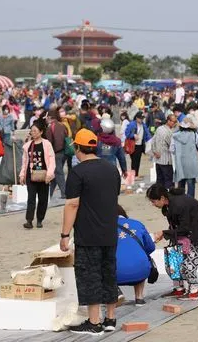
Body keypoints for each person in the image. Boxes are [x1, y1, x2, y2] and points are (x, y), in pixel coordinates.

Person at [60, 128, 121, 335]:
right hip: (110, 231)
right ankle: (110, 318)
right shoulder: (111, 169)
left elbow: (72, 205)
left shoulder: (78, 172)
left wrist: (64, 234)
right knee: (109, 273)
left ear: (78, 148)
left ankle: (94, 322)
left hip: (88, 233)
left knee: (90, 275)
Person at [147, 184, 198, 300]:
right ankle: (179, 289)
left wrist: (164, 233)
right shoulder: (169, 204)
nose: (152, 204)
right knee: (173, 259)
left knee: (188, 263)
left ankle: (194, 291)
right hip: (185, 230)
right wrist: (167, 234)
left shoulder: (178, 204)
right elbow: (177, 223)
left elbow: (185, 228)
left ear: (162, 198)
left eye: (153, 201)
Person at [115, 205, 156, 306]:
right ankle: (139, 297)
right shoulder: (137, 224)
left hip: (116, 274)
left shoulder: (105, 227)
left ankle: (116, 291)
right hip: (141, 272)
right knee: (140, 259)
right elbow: (151, 247)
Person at [19, 121, 55, 229]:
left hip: (44, 176)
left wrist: (49, 174)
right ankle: (29, 220)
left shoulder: (47, 144)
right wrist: (22, 175)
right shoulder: (28, 145)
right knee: (31, 199)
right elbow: (24, 162)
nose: (33, 133)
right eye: (32, 131)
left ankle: (40, 219)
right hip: (31, 175)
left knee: (43, 199)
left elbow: (52, 159)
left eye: (35, 131)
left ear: (41, 132)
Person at [171, 117, 198, 198]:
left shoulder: (174, 136)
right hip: (191, 163)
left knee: (181, 184)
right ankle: (190, 202)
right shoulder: (194, 135)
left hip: (180, 163)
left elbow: (172, 149)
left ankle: (181, 201)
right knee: (191, 184)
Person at [46, 109, 68, 199]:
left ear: (50, 117)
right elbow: (66, 135)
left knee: (58, 173)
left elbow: (49, 142)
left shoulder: (50, 127)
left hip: (56, 153)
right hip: (63, 152)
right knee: (56, 173)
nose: (46, 119)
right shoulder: (62, 125)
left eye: (47, 117)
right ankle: (49, 193)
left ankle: (65, 193)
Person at [151, 114, 177, 189]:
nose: (174, 123)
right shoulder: (169, 132)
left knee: (159, 181)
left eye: (175, 122)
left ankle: (159, 197)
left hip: (158, 160)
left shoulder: (159, 128)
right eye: (173, 122)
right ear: (168, 121)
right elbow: (172, 146)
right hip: (166, 160)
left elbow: (153, 142)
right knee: (168, 182)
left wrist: (155, 152)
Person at [125, 112, 152, 178]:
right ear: (136, 118)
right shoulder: (132, 124)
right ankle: (133, 175)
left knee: (138, 160)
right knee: (134, 160)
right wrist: (133, 135)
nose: (141, 120)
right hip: (133, 145)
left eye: (142, 118)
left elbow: (147, 133)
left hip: (140, 145)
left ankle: (136, 174)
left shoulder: (143, 125)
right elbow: (126, 133)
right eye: (140, 118)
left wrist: (150, 140)